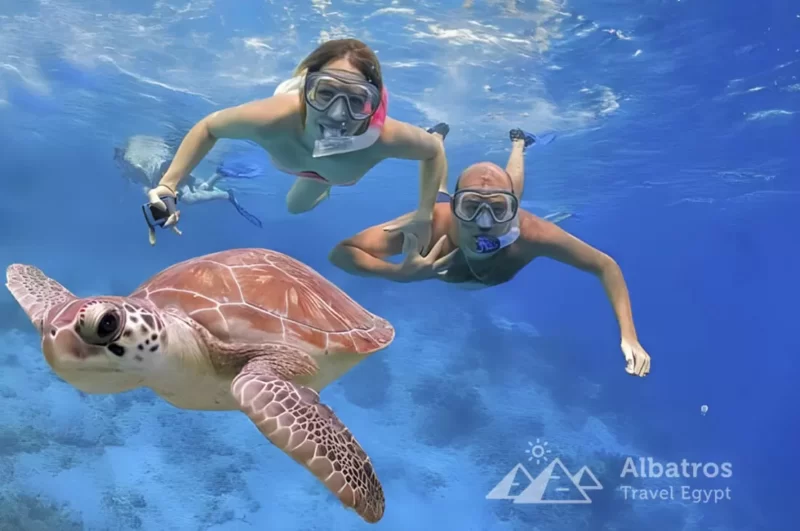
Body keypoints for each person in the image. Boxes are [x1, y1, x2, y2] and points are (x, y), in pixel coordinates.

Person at [329, 129, 651, 377]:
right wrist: (399, 274)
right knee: (439, 193)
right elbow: (341, 253)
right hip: (446, 208)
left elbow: (605, 266)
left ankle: (518, 144)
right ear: (455, 208)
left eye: (499, 210)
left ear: (513, 212)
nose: (484, 223)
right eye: (470, 207)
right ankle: (436, 140)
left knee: (508, 188)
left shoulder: (533, 233)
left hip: (501, 217)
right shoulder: (431, 223)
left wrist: (630, 337)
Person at [144, 38, 447, 248]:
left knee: (297, 205)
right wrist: (169, 185)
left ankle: (331, 173)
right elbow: (209, 127)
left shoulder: (384, 138)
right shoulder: (272, 119)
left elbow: (433, 151)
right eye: (325, 93)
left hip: (332, 171)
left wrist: (425, 213)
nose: (338, 114)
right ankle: (326, 173)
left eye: (357, 100)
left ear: (372, 103)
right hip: (317, 164)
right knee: (294, 207)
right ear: (305, 91)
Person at [114, 135, 263, 238]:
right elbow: (137, 180)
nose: (119, 165)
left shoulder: (130, 162)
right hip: (169, 168)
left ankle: (225, 192)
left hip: (165, 172)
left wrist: (162, 195)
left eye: (118, 161)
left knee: (189, 198)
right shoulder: (128, 168)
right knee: (195, 186)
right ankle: (217, 177)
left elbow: (146, 181)